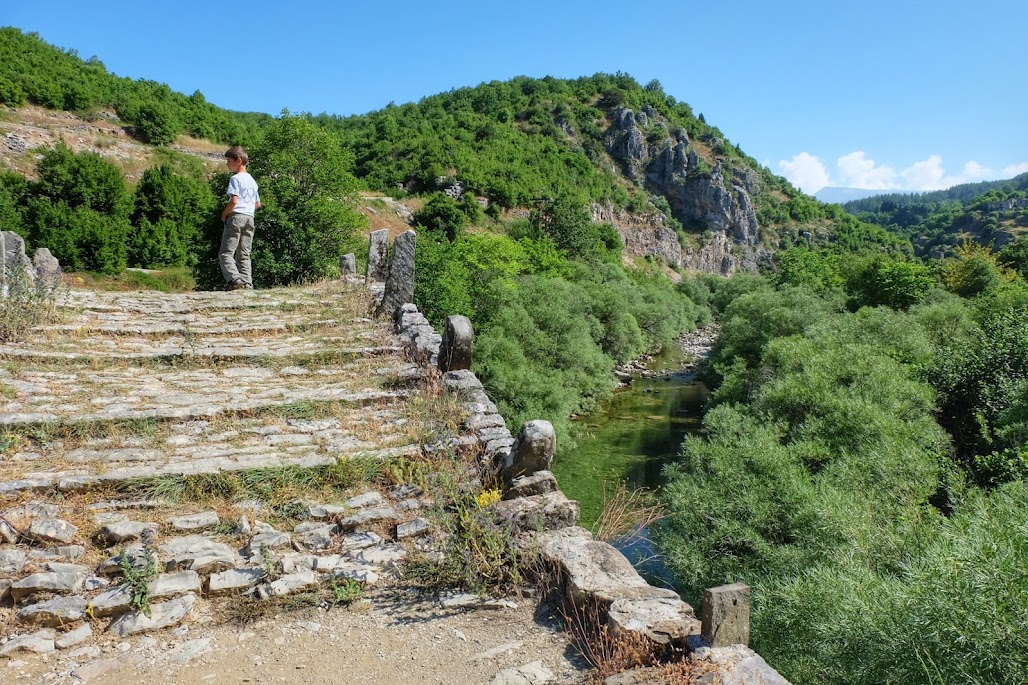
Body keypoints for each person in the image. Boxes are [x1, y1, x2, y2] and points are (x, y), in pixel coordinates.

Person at [219, 145, 261, 290]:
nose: (227, 164)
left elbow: (234, 201)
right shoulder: (253, 182)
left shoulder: (235, 179)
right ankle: (247, 282)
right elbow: (258, 204)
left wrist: (224, 215)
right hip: (250, 218)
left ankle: (234, 279)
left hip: (236, 217)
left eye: (228, 161)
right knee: (244, 253)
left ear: (238, 160)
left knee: (226, 252)